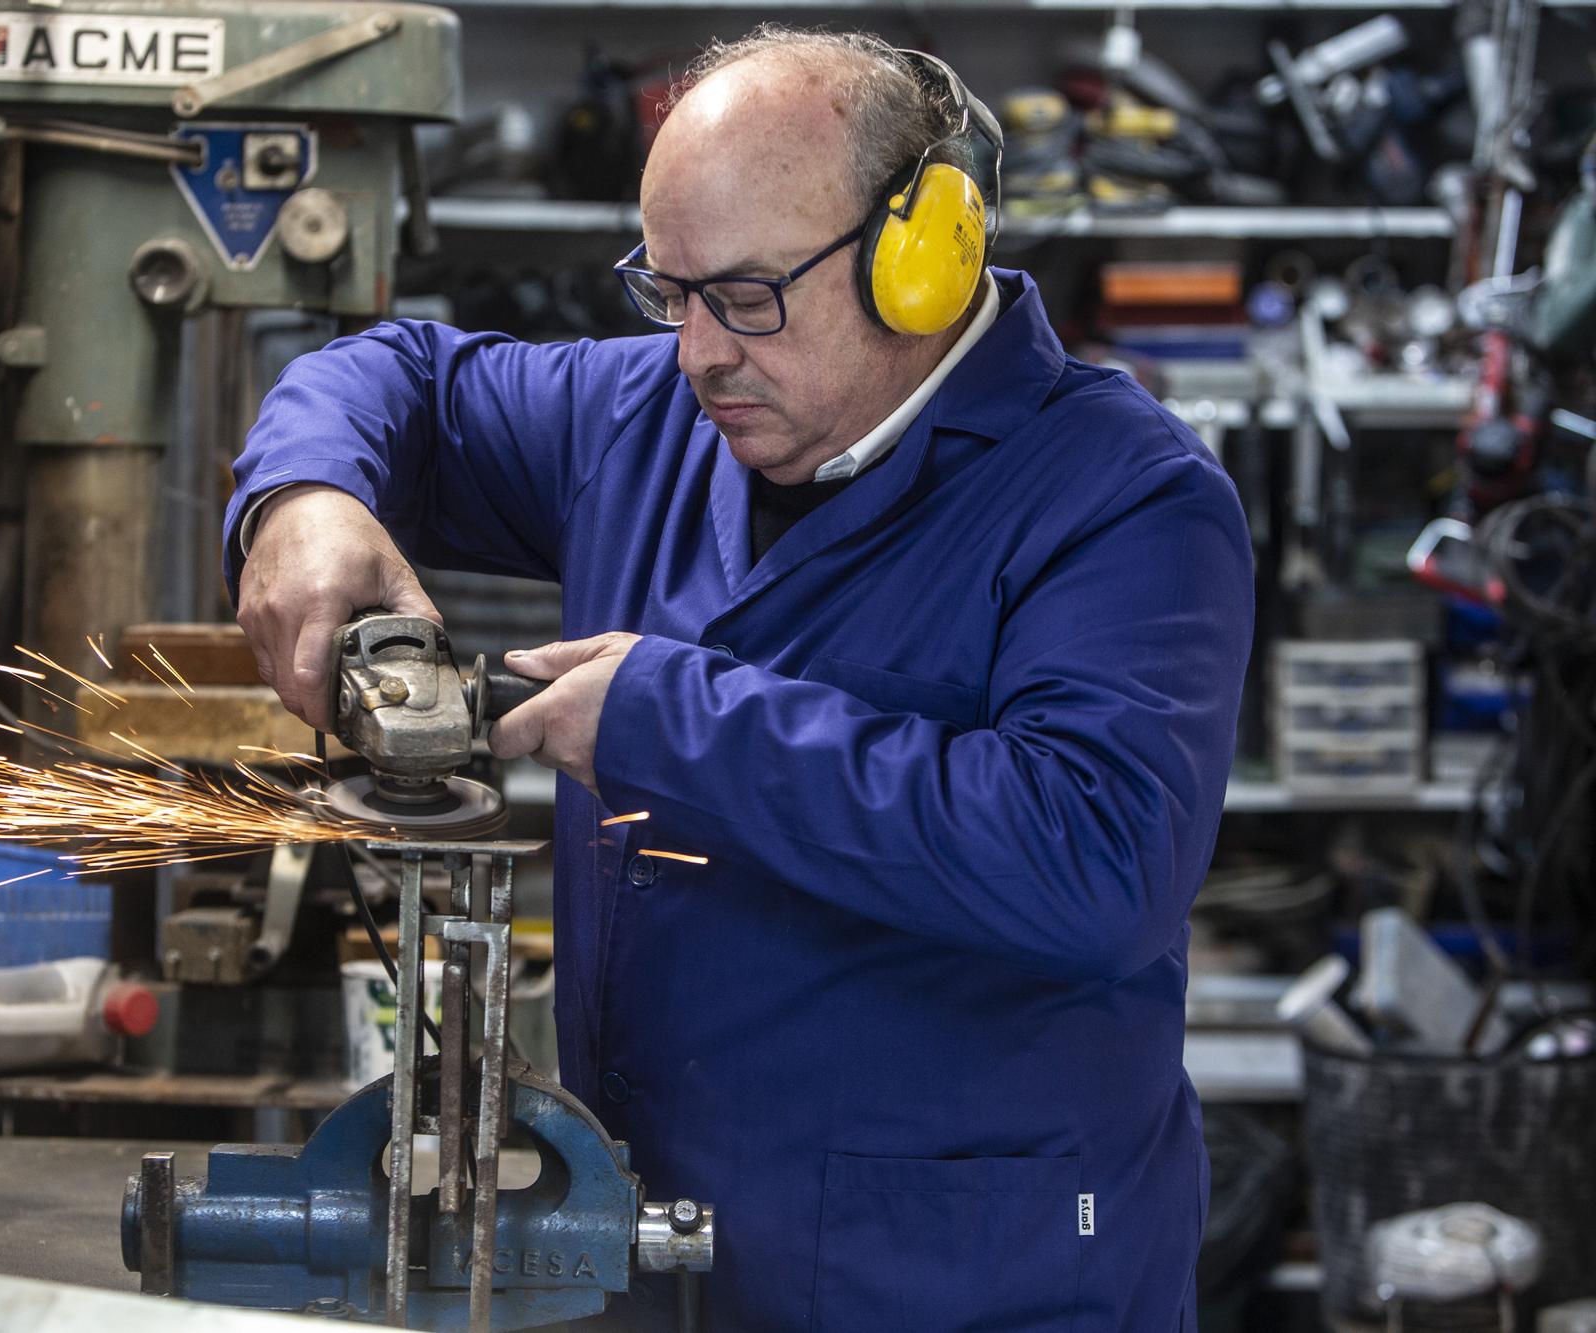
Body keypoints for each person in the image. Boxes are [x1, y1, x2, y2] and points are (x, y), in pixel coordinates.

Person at [227, 26, 1251, 1331]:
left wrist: (667, 720)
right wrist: (302, 499)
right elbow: (397, 378)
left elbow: (1096, 855)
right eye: (668, 293)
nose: (699, 352)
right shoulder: (644, 421)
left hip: (974, 1286)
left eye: (747, 297)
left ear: (921, 257)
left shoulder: (1126, 498)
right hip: (652, 1267)